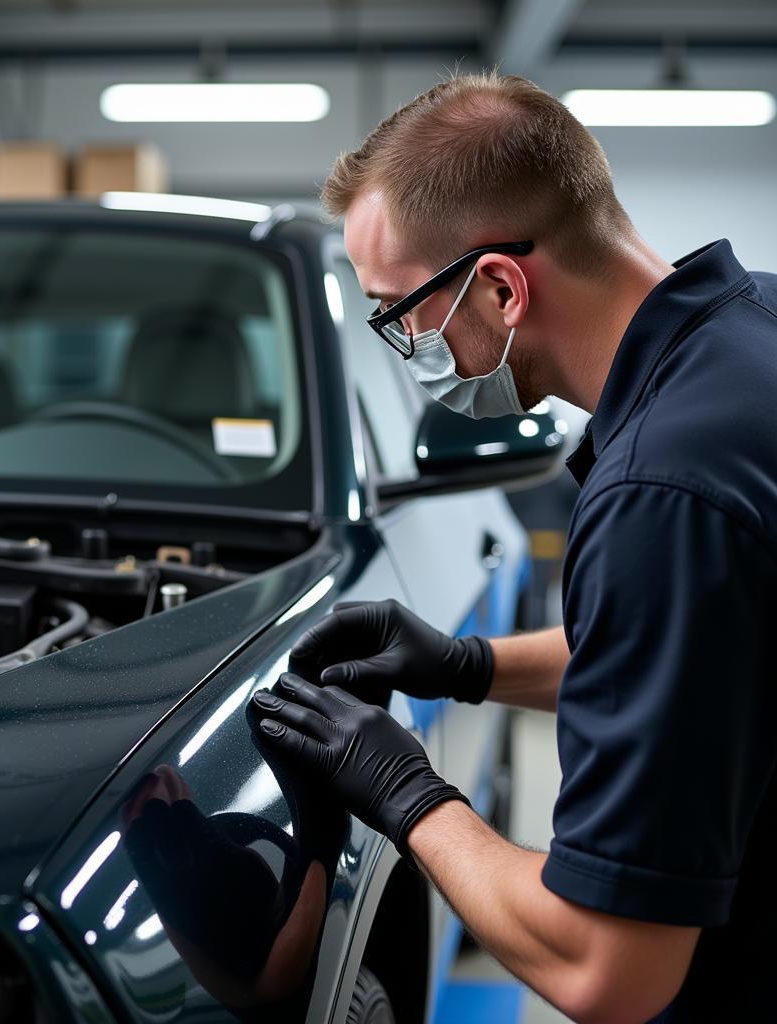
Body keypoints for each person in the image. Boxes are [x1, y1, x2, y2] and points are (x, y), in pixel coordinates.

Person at [249, 72, 777, 1023]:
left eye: (398, 313)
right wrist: (465, 665)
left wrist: (407, 794)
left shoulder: (661, 497)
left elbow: (608, 970)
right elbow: (695, 657)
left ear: (498, 285)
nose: (403, 343)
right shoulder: (753, 333)